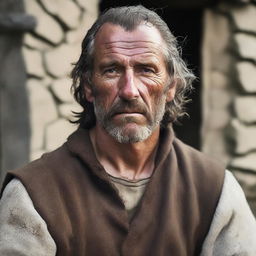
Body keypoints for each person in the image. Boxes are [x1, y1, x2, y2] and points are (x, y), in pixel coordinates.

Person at [0, 5, 255, 256]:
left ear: (171, 87)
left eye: (147, 70)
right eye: (111, 70)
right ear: (88, 85)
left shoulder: (215, 190)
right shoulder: (33, 195)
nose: (129, 90)